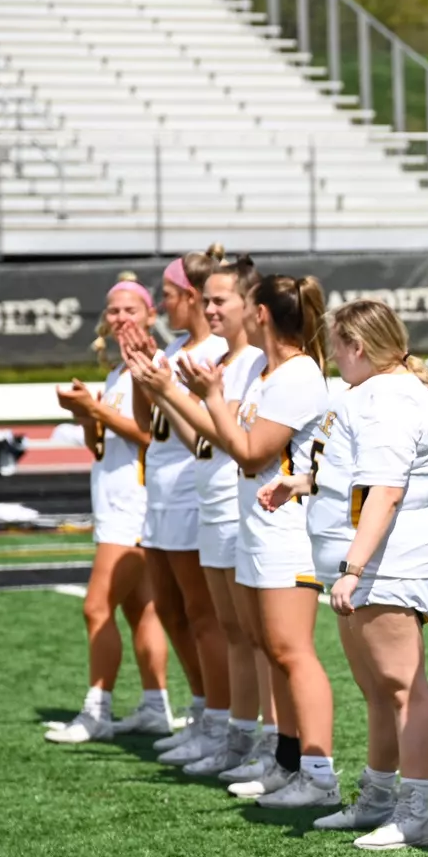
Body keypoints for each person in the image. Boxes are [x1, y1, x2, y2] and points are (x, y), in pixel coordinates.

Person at [261, 298, 428, 849]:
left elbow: (386, 490)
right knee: (375, 687)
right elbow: (354, 474)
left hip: (388, 558)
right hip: (370, 556)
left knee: (401, 685)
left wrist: (353, 566)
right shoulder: (370, 392)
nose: (336, 359)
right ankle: (377, 797)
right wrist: (303, 484)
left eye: (339, 347)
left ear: (358, 346)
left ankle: (415, 811)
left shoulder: (387, 396)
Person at [172, 274, 338, 809]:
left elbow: (248, 453)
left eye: (241, 302)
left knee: (293, 652)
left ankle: (318, 772)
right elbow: (230, 440)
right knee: (272, 648)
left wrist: (212, 396)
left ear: (260, 313)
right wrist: (192, 398)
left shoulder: (297, 374)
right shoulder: (272, 371)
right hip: (260, 527)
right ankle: (288, 758)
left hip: (288, 531)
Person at [128, 258, 270, 779]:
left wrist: (171, 390)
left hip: (238, 507)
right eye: (204, 299)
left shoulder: (251, 361)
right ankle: (229, 732)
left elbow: (241, 447)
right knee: (232, 630)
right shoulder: (229, 360)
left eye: (218, 300)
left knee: (257, 637)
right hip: (209, 500)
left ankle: (274, 747)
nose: (208, 309)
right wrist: (161, 388)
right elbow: (202, 442)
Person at [45, 276, 173, 744]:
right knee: (142, 611)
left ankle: (97, 709)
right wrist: (86, 414)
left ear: (150, 316)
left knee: (96, 607)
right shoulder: (119, 371)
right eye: (113, 311)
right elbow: (103, 446)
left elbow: (148, 437)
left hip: (135, 507)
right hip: (116, 502)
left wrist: (96, 413)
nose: (120, 318)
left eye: (130, 311)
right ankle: (156, 705)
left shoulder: (152, 366)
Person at [118, 247, 233, 765]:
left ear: (190, 296)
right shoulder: (176, 349)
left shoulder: (220, 353)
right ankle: (202, 709)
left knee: (200, 614)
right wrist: (141, 371)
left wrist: (166, 386)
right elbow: (149, 425)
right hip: (161, 493)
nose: (162, 307)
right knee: (169, 609)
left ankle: (219, 719)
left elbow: (205, 437)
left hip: (194, 493)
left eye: (167, 296)